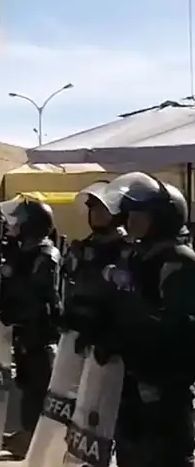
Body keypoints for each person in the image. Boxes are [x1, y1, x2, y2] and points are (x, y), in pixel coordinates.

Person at [67, 173, 195, 466]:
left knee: (166, 458)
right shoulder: (136, 257)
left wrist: (126, 339)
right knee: (129, 455)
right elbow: (117, 304)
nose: (131, 220)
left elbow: (179, 328)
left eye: (140, 214)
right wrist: (94, 329)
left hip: (164, 386)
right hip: (129, 380)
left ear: (162, 218)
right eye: (131, 213)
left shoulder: (178, 261)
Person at [0, 198, 60, 453]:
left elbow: (37, 297)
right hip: (24, 328)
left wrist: (16, 313)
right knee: (26, 381)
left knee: (37, 385)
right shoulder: (25, 252)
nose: (14, 226)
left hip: (39, 330)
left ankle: (33, 438)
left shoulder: (45, 255)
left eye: (19, 222)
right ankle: (27, 432)